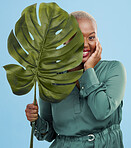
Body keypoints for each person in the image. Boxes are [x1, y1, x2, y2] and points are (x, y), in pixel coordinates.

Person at [25, 11, 126, 148]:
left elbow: (102, 111)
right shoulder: (51, 78)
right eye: (76, 37)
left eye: (91, 37)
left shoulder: (113, 70)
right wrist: (35, 120)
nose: (85, 44)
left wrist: (89, 69)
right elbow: (50, 135)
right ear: (64, 40)